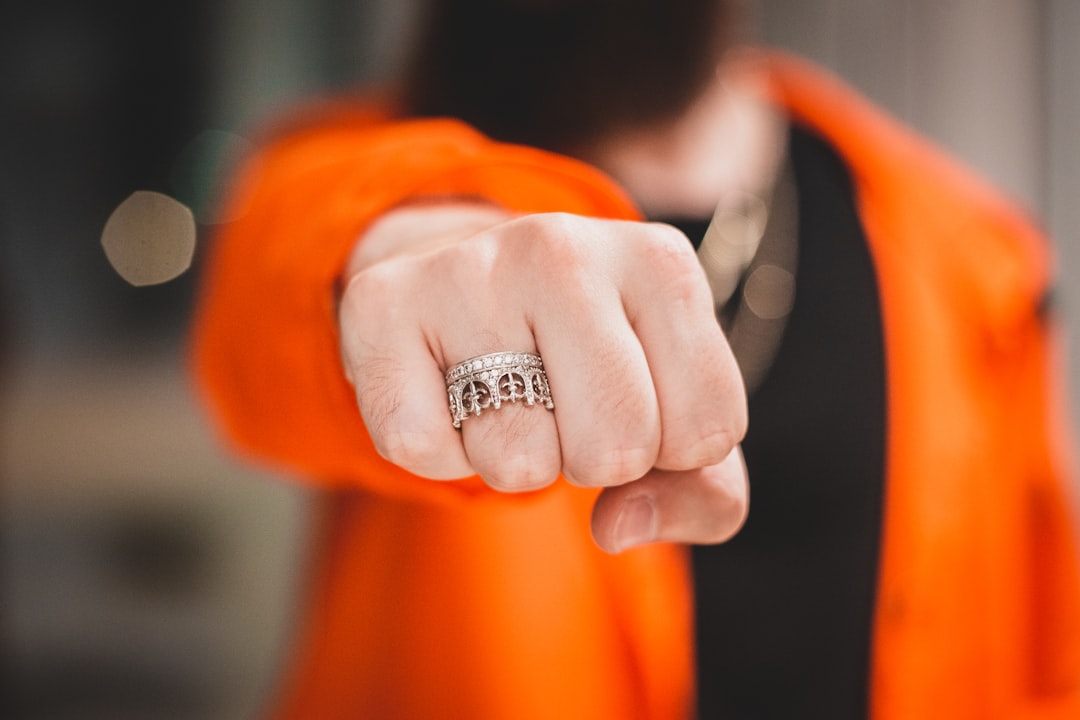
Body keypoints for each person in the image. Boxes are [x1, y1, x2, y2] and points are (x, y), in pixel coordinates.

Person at [191, 1, 1080, 718]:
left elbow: (1046, 650)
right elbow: (255, 324)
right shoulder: (350, 172)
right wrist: (392, 251)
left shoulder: (964, 249)